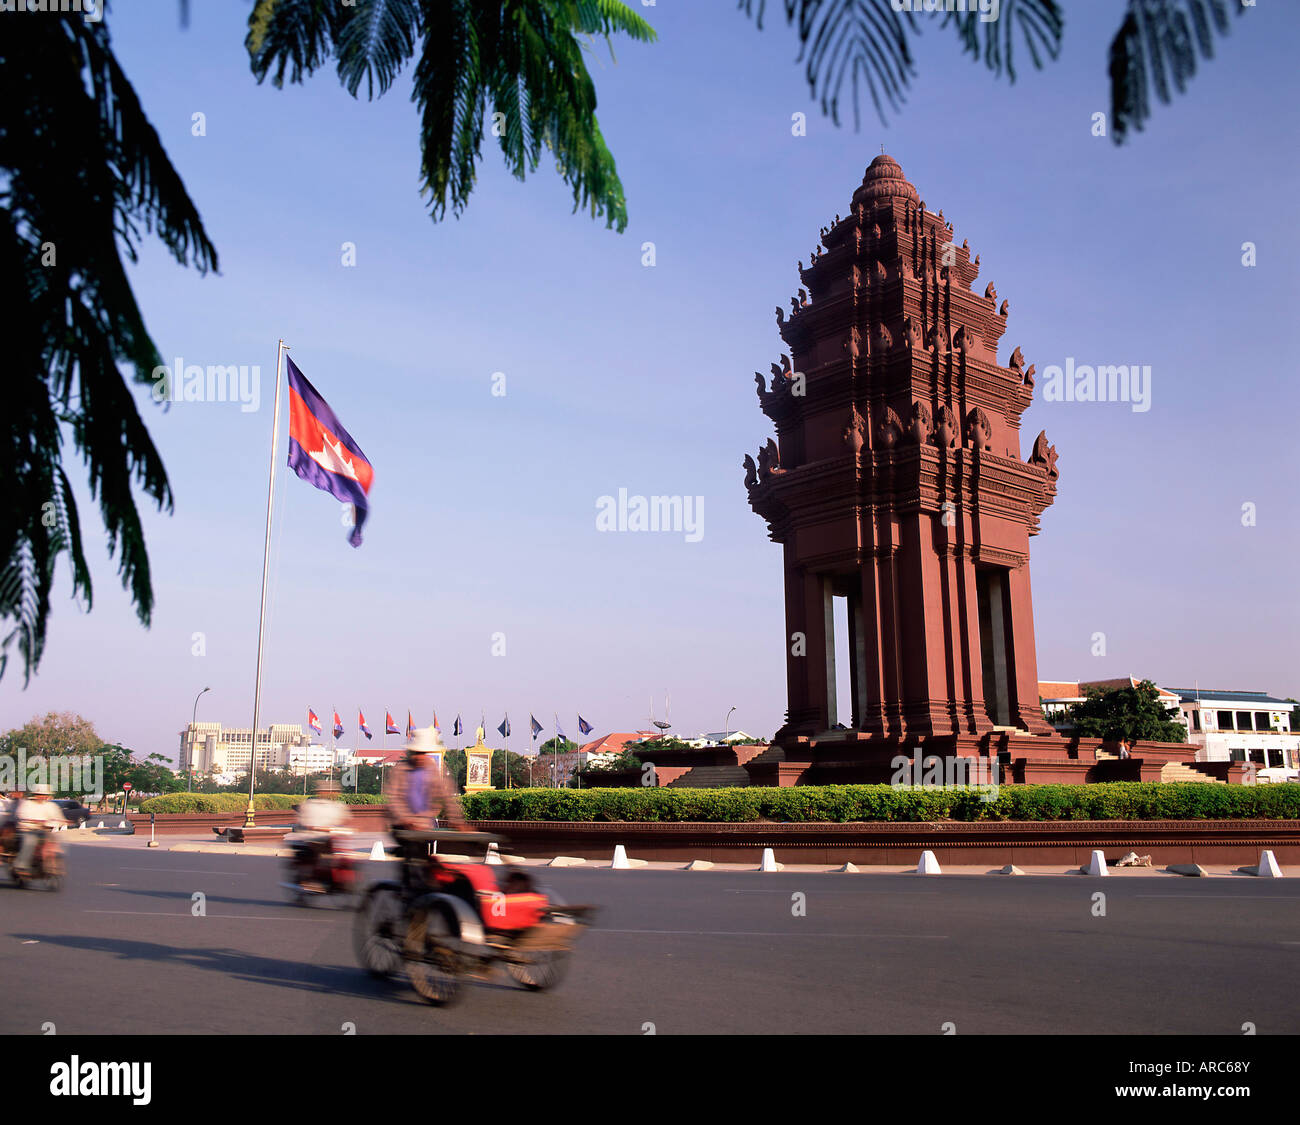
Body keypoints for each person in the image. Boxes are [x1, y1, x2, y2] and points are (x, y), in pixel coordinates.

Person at [388, 726, 466, 834]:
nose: (421, 757)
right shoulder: (400, 770)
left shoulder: (432, 769)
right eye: (418, 753)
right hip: (402, 825)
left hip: (425, 823)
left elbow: (446, 796)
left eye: (423, 753)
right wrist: (407, 820)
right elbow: (394, 799)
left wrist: (457, 820)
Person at [292, 779, 351, 889]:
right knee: (322, 854)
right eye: (328, 791)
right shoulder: (311, 805)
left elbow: (344, 821)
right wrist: (319, 828)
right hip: (313, 838)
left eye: (333, 791)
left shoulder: (337, 806)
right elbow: (305, 823)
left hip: (330, 839)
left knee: (342, 856)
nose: (331, 794)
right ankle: (313, 879)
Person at [12, 785, 67, 878]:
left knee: (56, 842)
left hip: (45, 831)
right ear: (35, 794)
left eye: (44, 794)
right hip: (28, 831)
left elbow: (59, 818)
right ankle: (21, 865)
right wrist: (31, 821)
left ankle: (52, 864)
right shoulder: (27, 804)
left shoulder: (51, 806)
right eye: (40, 794)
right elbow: (21, 816)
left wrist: (61, 822)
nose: (42, 796)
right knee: (30, 842)